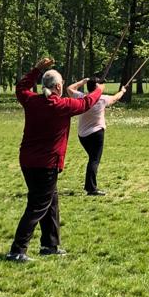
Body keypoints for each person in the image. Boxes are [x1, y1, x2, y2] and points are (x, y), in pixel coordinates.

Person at [7, 57, 103, 262]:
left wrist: (36, 69)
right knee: (38, 205)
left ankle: (49, 245)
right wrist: (98, 90)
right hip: (46, 163)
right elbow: (86, 102)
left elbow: (21, 87)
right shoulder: (61, 106)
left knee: (51, 202)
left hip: (27, 161)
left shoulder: (32, 100)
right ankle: (17, 250)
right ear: (59, 86)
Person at [66, 76, 126, 195]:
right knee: (94, 160)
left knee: (92, 159)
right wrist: (123, 91)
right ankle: (91, 188)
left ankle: (90, 186)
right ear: (97, 87)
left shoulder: (81, 97)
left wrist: (83, 81)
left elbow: (69, 88)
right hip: (96, 133)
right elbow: (115, 98)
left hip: (82, 135)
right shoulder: (102, 99)